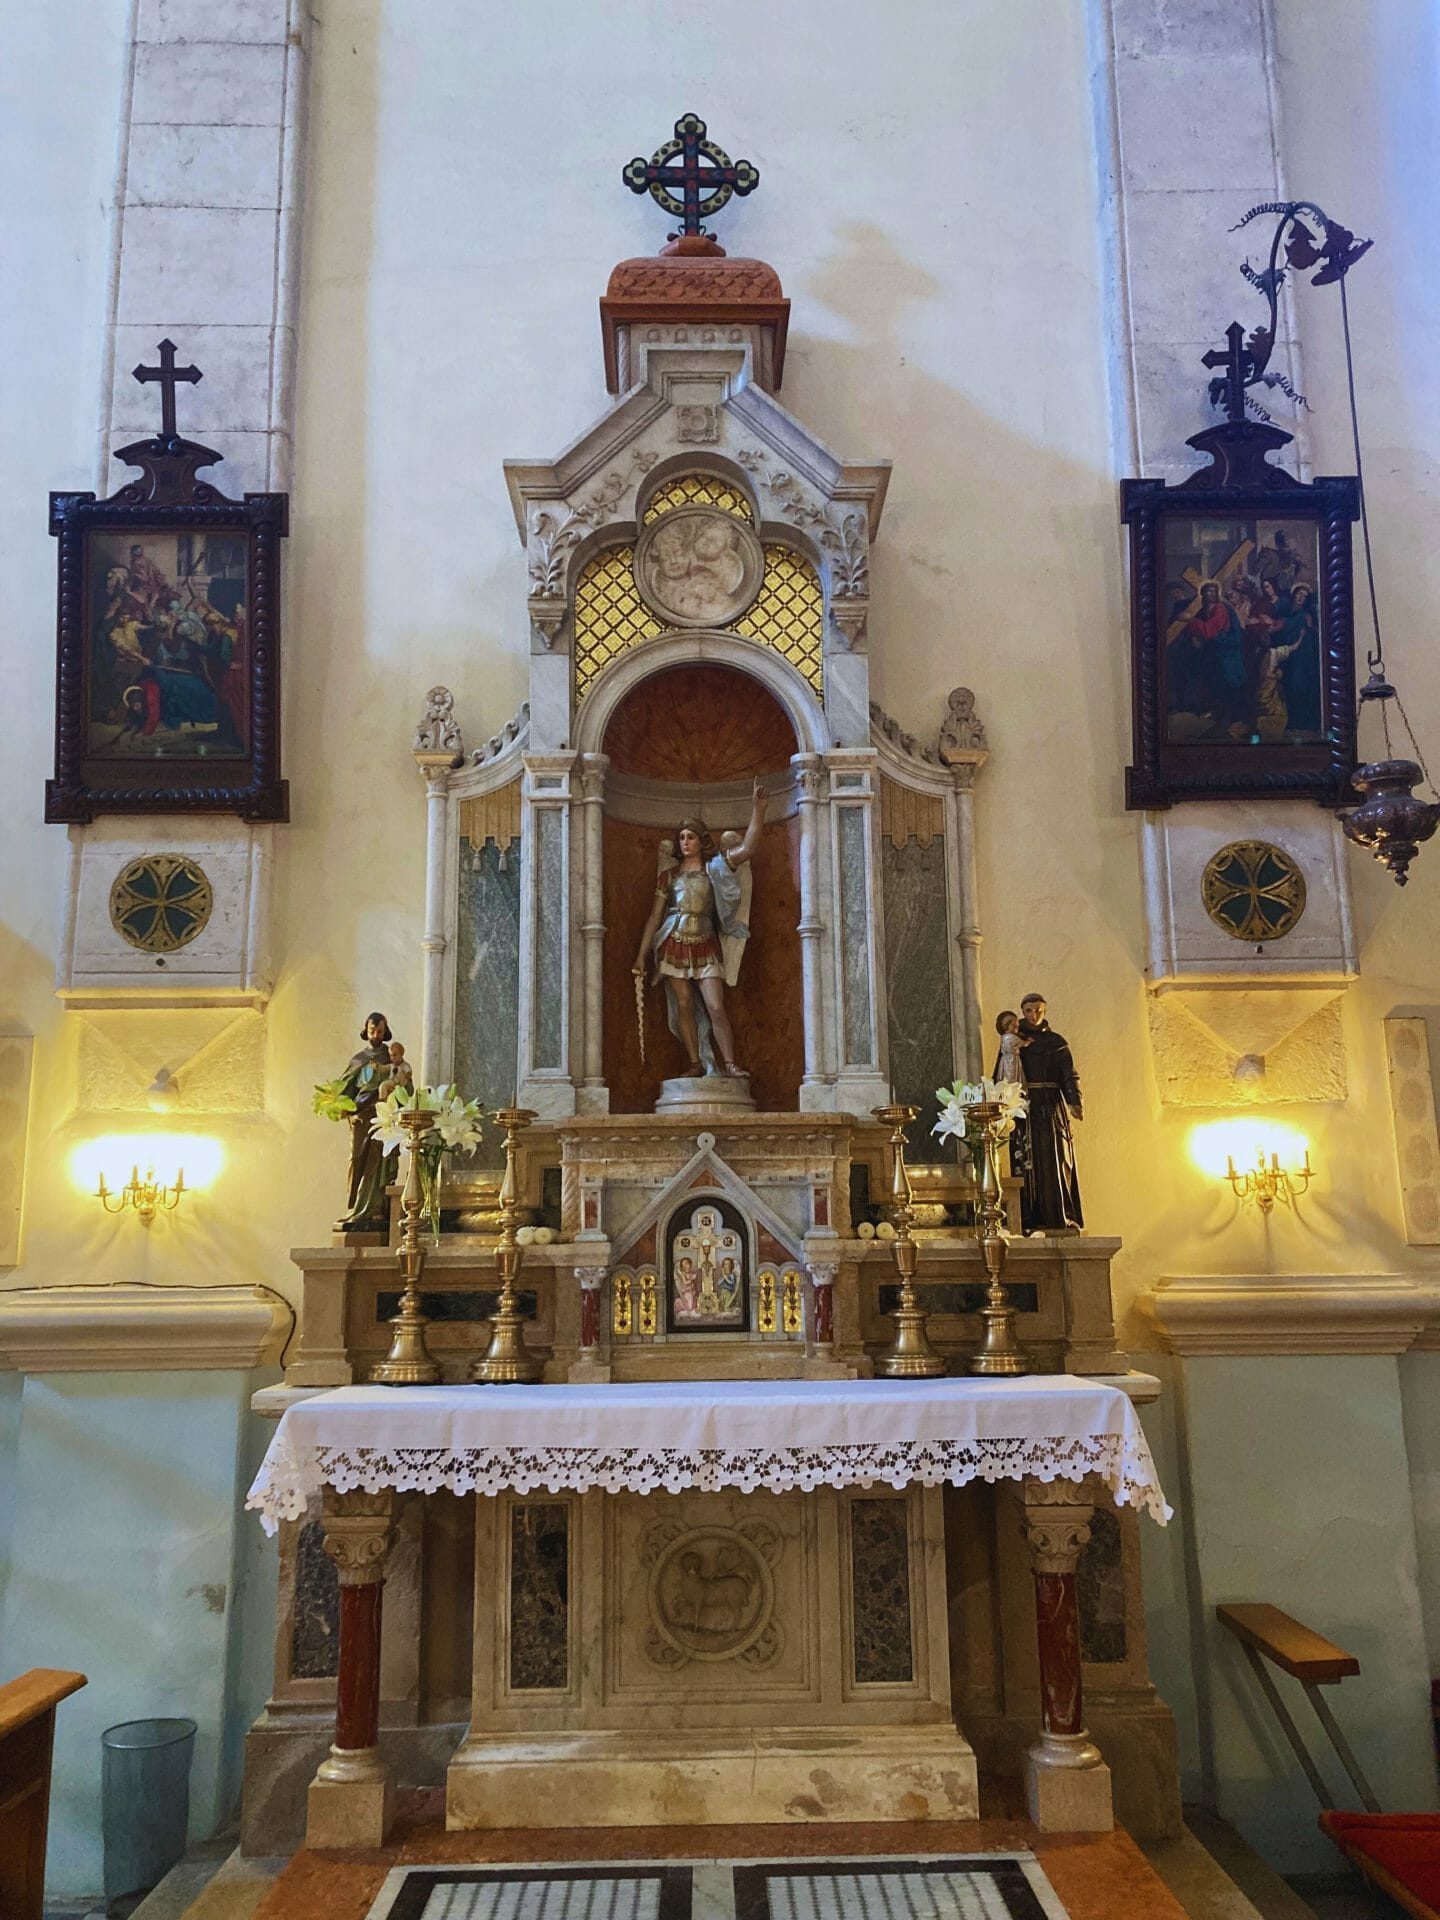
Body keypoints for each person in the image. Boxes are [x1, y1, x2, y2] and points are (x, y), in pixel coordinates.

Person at [633, 778, 768, 1080]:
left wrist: (758, 810)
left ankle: (730, 1063)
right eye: (681, 837)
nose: (684, 842)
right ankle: (695, 1062)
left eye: (690, 836)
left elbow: (747, 848)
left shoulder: (716, 867)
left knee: (715, 1006)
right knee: (683, 1005)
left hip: (706, 941)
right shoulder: (668, 876)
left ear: (700, 840)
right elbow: (654, 919)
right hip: (673, 940)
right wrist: (642, 955)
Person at [1015, 992, 1083, 1234]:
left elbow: (1068, 1074)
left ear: (1045, 1010)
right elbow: (1003, 1072)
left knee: (1056, 1158)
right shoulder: (1015, 1042)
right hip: (1026, 1108)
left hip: (1052, 1105)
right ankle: (1029, 1218)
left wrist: (1074, 1100)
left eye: (1038, 1010)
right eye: (1029, 1011)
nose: (1034, 1015)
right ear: (1022, 1012)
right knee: (1027, 1161)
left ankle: (1059, 1215)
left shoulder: (1056, 1042)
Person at [333, 1012, 401, 1233]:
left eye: (380, 1031)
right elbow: (345, 1090)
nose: (376, 1035)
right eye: (372, 1031)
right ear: (366, 1030)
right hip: (361, 1117)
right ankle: (354, 1206)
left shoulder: (391, 1058)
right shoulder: (359, 1060)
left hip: (383, 1116)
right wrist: (338, 1104)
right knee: (357, 1158)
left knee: (379, 1161)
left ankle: (375, 1207)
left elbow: (403, 1085)